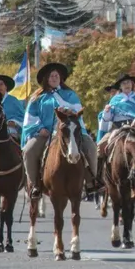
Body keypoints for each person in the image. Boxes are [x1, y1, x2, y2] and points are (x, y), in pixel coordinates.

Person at [21, 62, 101, 199]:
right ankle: (34, 184)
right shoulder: (37, 97)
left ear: (61, 78)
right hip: (45, 133)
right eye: (51, 76)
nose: (54, 78)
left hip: (69, 130)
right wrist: (40, 129)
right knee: (28, 151)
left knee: (91, 147)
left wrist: (69, 112)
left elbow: (78, 112)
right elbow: (30, 118)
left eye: (56, 76)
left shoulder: (70, 94)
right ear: (46, 78)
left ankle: (91, 181)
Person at [96, 73, 135, 180]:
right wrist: (107, 112)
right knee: (101, 146)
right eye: (124, 83)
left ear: (132, 84)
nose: (127, 85)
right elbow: (108, 118)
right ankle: (100, 176)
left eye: (128, 82)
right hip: (118, 129)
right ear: (120, 86)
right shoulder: (115, 100)